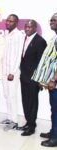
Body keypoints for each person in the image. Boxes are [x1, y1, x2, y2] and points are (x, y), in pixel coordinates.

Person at [16, 20, 47, 136]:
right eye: (26, 27)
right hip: (23, 76)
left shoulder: (40, 41)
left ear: (35, 28)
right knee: (25, 101)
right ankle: (28, 122)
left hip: (33, 79)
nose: (27, 29)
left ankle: (32, 126)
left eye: (30, 27)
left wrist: (39, 79)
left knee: (32, 102)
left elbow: (41, 62)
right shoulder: (23, 39)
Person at [32, 13, 57, 147]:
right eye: (51, 19)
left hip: (55, 83)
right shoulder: (55, 37)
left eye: (54, 20)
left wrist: (54, 80)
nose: (51, 22)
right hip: (51, 83)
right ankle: (54, 131)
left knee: (56, 110)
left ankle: (55, 138)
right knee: (54, 109)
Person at [0, 14, 24, 130]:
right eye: (7, 21)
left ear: (16, 22)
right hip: (4, 71)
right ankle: (9, 118)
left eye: (11, 21)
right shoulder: (7, 34)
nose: (8, 23)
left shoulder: (19, 35)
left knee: (12, 96)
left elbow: (19, 55)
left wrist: (13, 72)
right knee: (6, 95)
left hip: (12, 72)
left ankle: (14, 121)